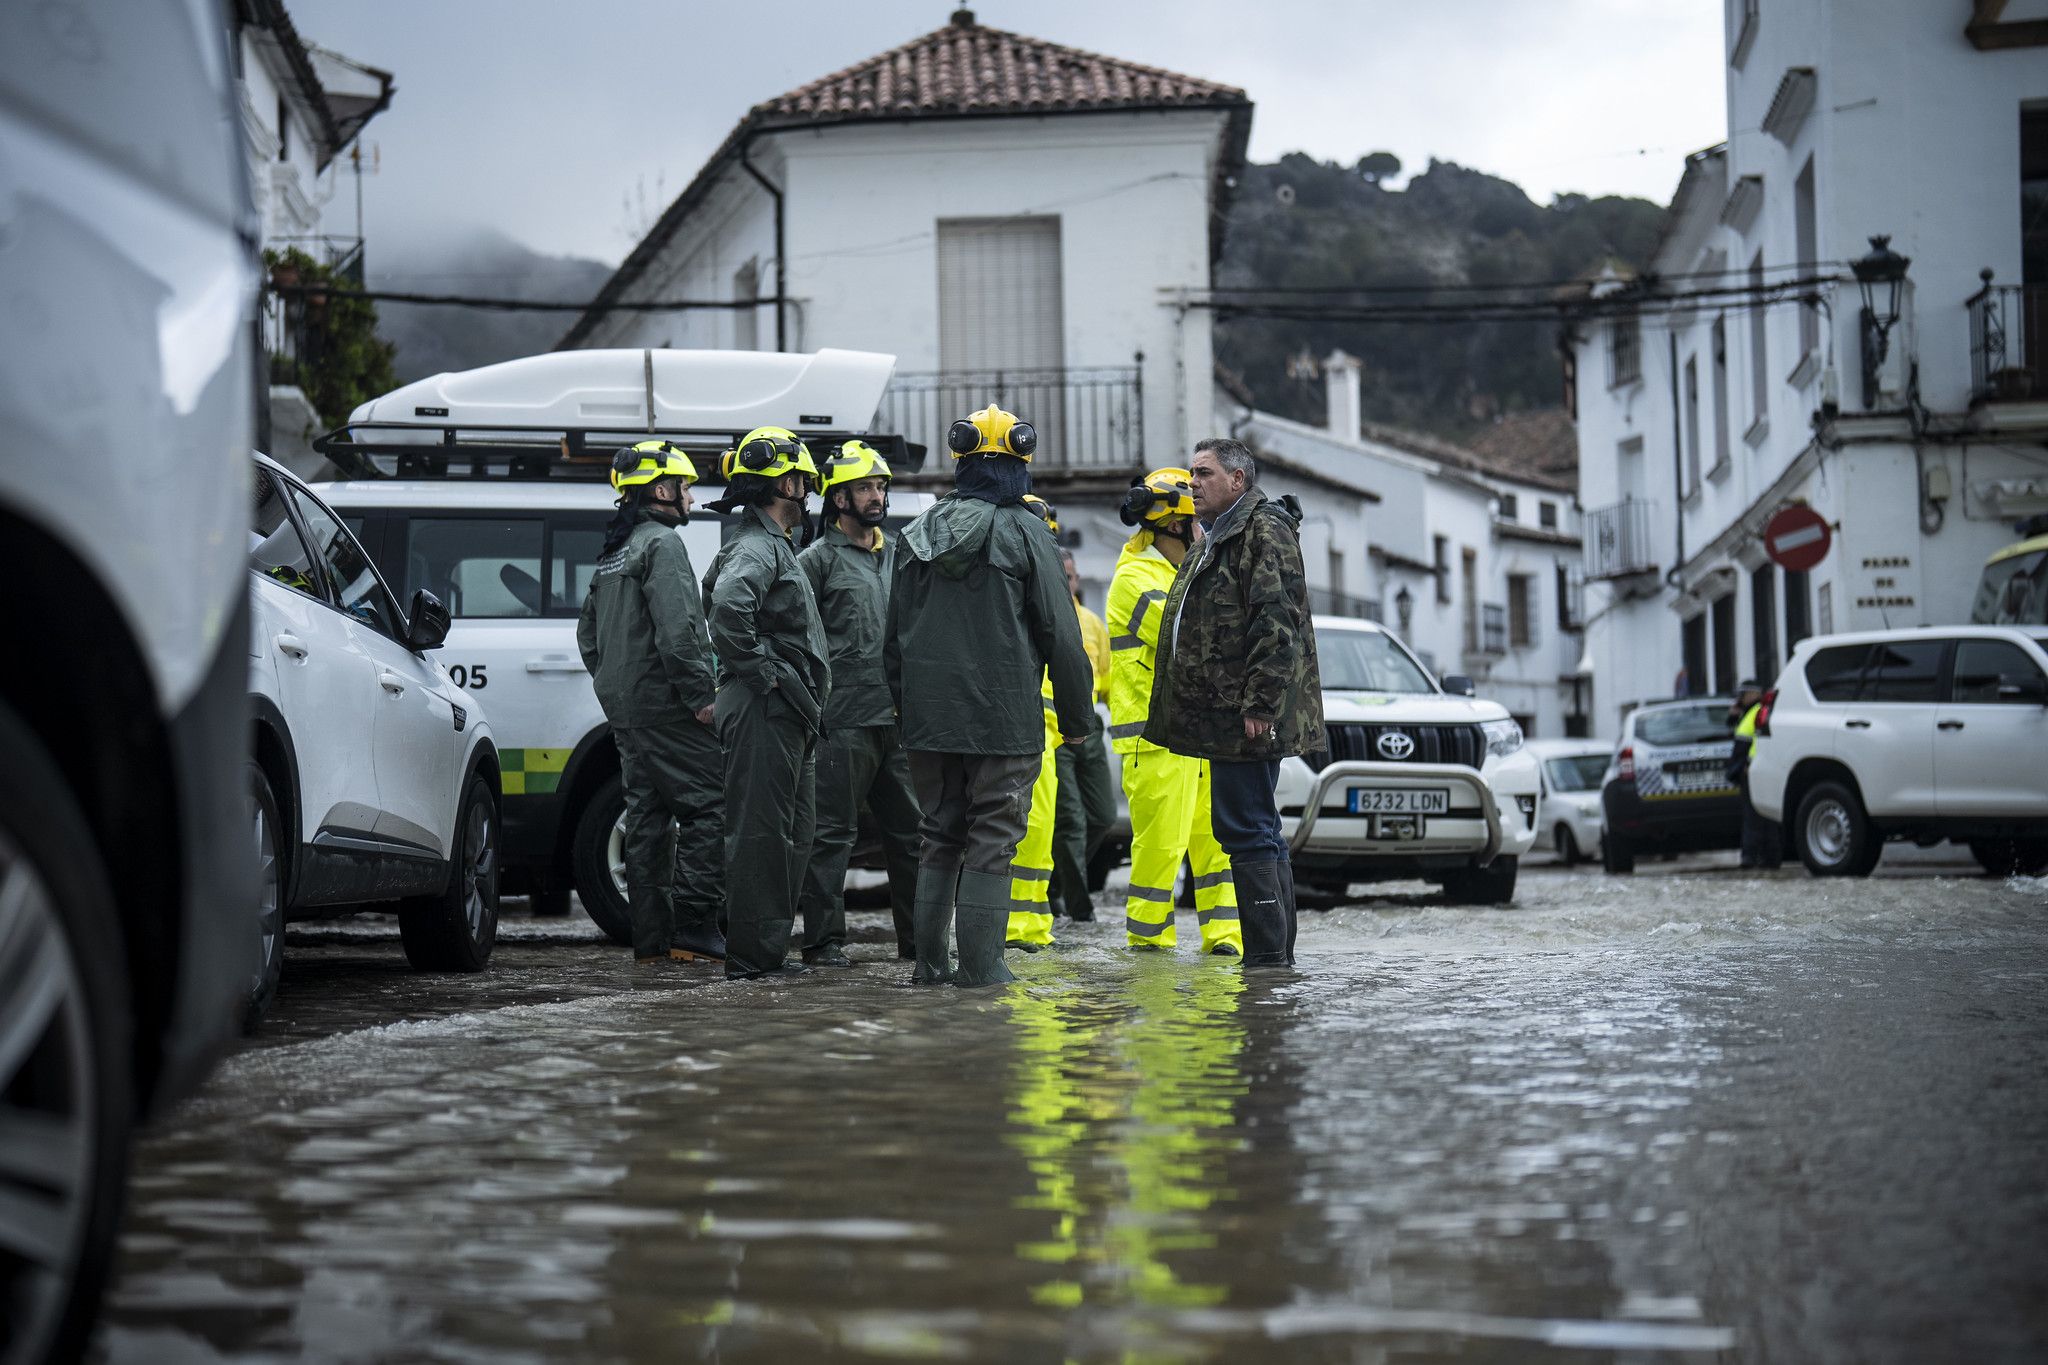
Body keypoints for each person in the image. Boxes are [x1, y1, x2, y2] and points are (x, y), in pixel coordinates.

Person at [885, 404, 1093, 987]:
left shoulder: (917, 532)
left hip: (929, 721)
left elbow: (892, 636)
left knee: (939, 835)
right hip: (1003, 719)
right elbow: (1063, 634)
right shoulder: (1028, 530)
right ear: (1020, 461)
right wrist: (1077, 719)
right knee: (993, 840)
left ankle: (929, 968)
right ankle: (982, 972)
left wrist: (908, 711)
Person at [1145, 439, 1323, 968]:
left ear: (1238, 480)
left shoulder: (1261, 530)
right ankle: (1274, 958)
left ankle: (1267, 962)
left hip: (1244, 715)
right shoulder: (1217, 536)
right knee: (1255, 827)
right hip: (1225, 713)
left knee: (1246, 830)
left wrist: (1260, 705)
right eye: (1191, 473)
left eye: (1203, 474)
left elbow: (1275, 621)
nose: (1191, 483)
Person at [575, 441, 726, 967]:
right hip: (666, 708)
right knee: (713, 804)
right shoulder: (661, 546)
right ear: (661, 491)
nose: (690, 495)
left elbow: (588, 636)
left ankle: (651, 941)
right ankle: (695, 927)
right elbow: (681, 631)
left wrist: (615, 686)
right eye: (685, 486)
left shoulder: (615, 552)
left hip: (628, 712)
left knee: (647, 820)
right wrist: (702, 697)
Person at [703, 426, 831, 980]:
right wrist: (763, 675)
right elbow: (727, 609)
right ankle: (753, 961)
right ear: (783, 481)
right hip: (765, 710)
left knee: (792, 835)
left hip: (785, 712)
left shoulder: (770, 545)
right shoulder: (758, 546)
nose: (808, 489)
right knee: (761, 835)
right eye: (802, 478)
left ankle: (766, 951)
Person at [796, 440, 923, 965]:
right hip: (842, 720)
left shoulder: (899, 553)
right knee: (830, 838)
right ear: (838, 499)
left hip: (899, 719)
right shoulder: (816, 561)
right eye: (865, 488)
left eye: (880, 487)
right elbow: (799, 638)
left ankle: (921, 942)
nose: (876, 496)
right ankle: (824, 943)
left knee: (915, 836)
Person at [1108, 467, 1242, 956]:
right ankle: (1149, 945)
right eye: (1199, 522)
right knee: (1161, 847)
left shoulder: (1186, 574)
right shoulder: (1133, 579)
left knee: (1216, 844)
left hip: (1200, 736)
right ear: (1173, 525)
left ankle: (1226, 938)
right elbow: (1189, 636)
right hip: (1156, 738)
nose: (1205, 531)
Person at [1005, 495, 1067, 951]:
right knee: (1011, 826)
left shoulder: (1047, 584)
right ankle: (1010, 926)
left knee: (1039, 828)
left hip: (1043, 727)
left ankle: (1030, 924)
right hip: (1012, 720)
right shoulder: (1003, 584)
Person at [1050, 548, 1116, 923]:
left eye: (1072, 576)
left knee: (1103, 816)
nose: (1069, 583)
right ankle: (1078, 906)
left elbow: (1108, 681)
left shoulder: (1092, 623)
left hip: (1088, 727)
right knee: (1070, 820)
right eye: (1062, 576)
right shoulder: (1041, 618)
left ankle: (1055, 884)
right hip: (1053, 729)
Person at [1726, 680, 1783, 869]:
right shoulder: (1753, 712)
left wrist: (1745, 766)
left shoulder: (1758, 712)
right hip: (1758, 770)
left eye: (1743, 695)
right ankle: (1769, 858)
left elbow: (1748, 745)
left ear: (1754, 694)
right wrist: (1733, 717)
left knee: (1755, 818)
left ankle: (1751, 858)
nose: (1740, 699)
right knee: (1764, 818)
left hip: (1753, 771)